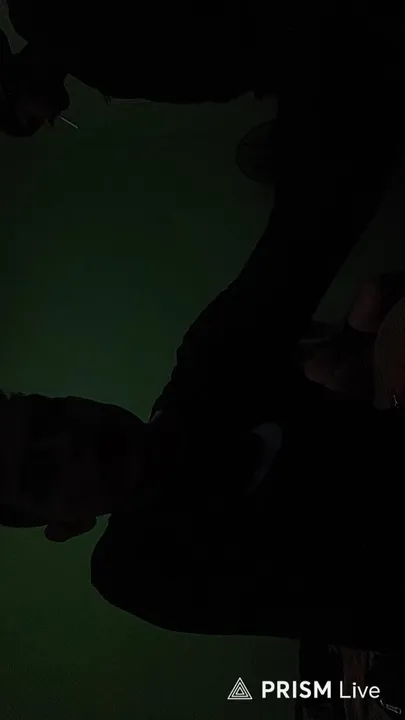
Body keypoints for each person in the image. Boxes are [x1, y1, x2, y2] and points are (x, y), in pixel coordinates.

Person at [1, 8, 405, 651]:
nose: (73, 442)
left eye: (52, 416)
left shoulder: (214, 362)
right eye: (44, 472)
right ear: (66, 524)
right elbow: (349, 608)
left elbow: (316, 220)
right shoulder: (140, 567)